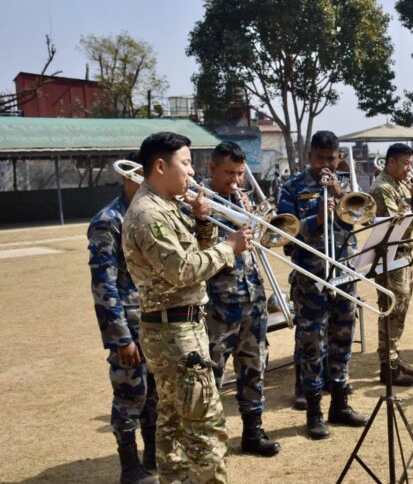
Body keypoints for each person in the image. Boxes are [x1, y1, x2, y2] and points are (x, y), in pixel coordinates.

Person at [123, 131, 253, 483]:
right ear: (160, 166)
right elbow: (183, 270)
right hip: (175, 333)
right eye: (186, 163)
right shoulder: (150, 214)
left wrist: (203, 222)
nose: (192, 172)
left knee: (173, 425)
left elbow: (193, 254)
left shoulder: (166, 206)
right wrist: (230, 247)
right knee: (204, 426)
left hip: (178, 327)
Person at [277, 130, 368, 439]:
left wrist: (341, 196)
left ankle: (340, 404)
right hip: (311, 278)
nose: (326, 165)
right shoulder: (292, 187)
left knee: (343, 339)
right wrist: (315, 220)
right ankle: (314, 411)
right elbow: (285, 234)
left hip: (344, 273)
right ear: (309, 156)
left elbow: (361, 218)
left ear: (339, 157)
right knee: (312, 344)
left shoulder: (347, 185)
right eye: (320, 159)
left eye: (332, 158)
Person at [203, 142, 280, 457]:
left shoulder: (242, 199)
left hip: (252, 300)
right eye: (229, 173)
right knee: (212, 375)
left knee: (253, 367)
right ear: (212, 169)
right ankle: (210, 439)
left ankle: (253, 432)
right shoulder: (198, 202)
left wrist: (255, 221)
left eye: (240, 173)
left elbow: (263, 243)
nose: (235, 180)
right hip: (217, 307)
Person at [88, 157, 158, 484]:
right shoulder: (108, 221)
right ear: (130, 177)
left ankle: (153, 454)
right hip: (129, 325)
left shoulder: (151, 215)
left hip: (156, 321)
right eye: (143, 175)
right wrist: (120, 338)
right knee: (130, 396)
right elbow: (103, 285)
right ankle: (130, 468)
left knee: (154, 393)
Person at [370, 142, 413, 386]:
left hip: (404, 255)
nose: (410, 168)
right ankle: (387, 366)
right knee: (392, 308)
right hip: (390, 256)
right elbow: (396, 225)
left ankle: (394, 357)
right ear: (391, 162)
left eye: (411, 163)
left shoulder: (400, 184)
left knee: (401, 307)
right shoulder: (382, 188)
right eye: (405, 163)